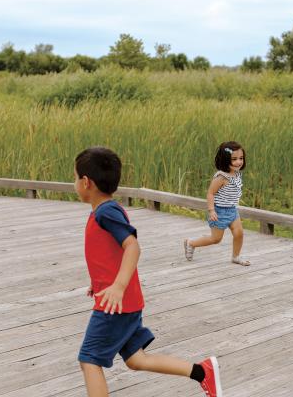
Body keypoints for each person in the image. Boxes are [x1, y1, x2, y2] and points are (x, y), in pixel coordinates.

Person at [74, 146, 223, 397]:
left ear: (86, 182)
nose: (75, 183)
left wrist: (118, 286)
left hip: (115, 306)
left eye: (75, 178)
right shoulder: (107, 210)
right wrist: (98, 282)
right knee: (136, 359)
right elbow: (109, 253)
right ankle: (201, 372)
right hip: (126, 303)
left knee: (89, 360)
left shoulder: (106, 212)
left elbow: (132, 247)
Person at [184, 141, 250, 266]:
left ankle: (236, 256)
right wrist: (211, 210)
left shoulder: (236, 174)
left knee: (239, 233)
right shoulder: (221, 177)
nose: (238, 162)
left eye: (241, 158)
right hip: (219, 212)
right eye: (234, 159)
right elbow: (210, 193)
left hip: (232, 210)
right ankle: (191, 243)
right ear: (225, 160)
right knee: (215, 239)